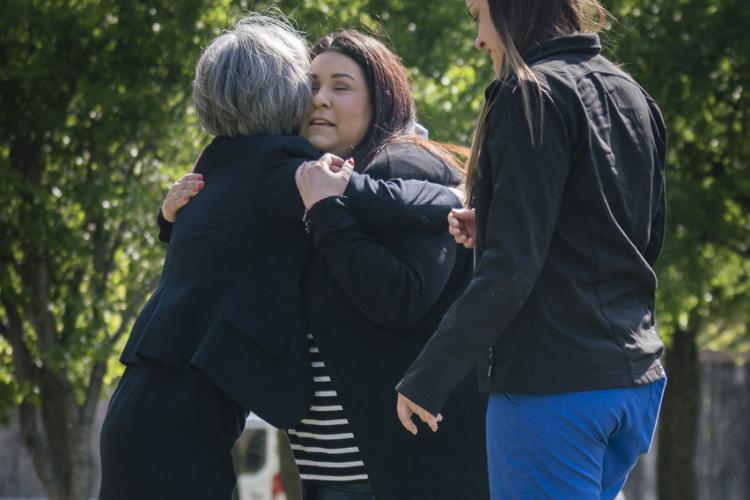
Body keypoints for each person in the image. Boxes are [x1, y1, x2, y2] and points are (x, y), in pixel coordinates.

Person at [99, 15, 460, 500]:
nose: (316, 99)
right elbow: (380, 196)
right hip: (181, 426)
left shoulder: (218, 160)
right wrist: (459, 196)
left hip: (140, 408)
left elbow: (213, 240)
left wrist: (166, 220)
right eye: (307, 84)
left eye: (335, 87)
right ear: (284, 91)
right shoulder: (282, 168)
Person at [393, 1, 668, 499]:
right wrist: (501, 221)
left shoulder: (530, 94)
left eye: (478, 14)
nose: (479, 39)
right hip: (634, 384)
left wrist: (426, 377)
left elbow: (511, 269)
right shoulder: (633, 95)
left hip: (554, 390)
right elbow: (635, 238)